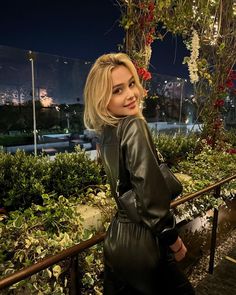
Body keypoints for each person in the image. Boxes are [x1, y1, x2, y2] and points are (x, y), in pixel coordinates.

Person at [83, 52, 195, 295]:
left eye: (131, 84)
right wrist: (173, 240)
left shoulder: (107, 133)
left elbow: (124, 188)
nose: (130, 94)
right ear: (102, 99)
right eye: (117, 90)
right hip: (146, 242)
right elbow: (150, 197)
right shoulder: (134, 125)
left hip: (117, 242)